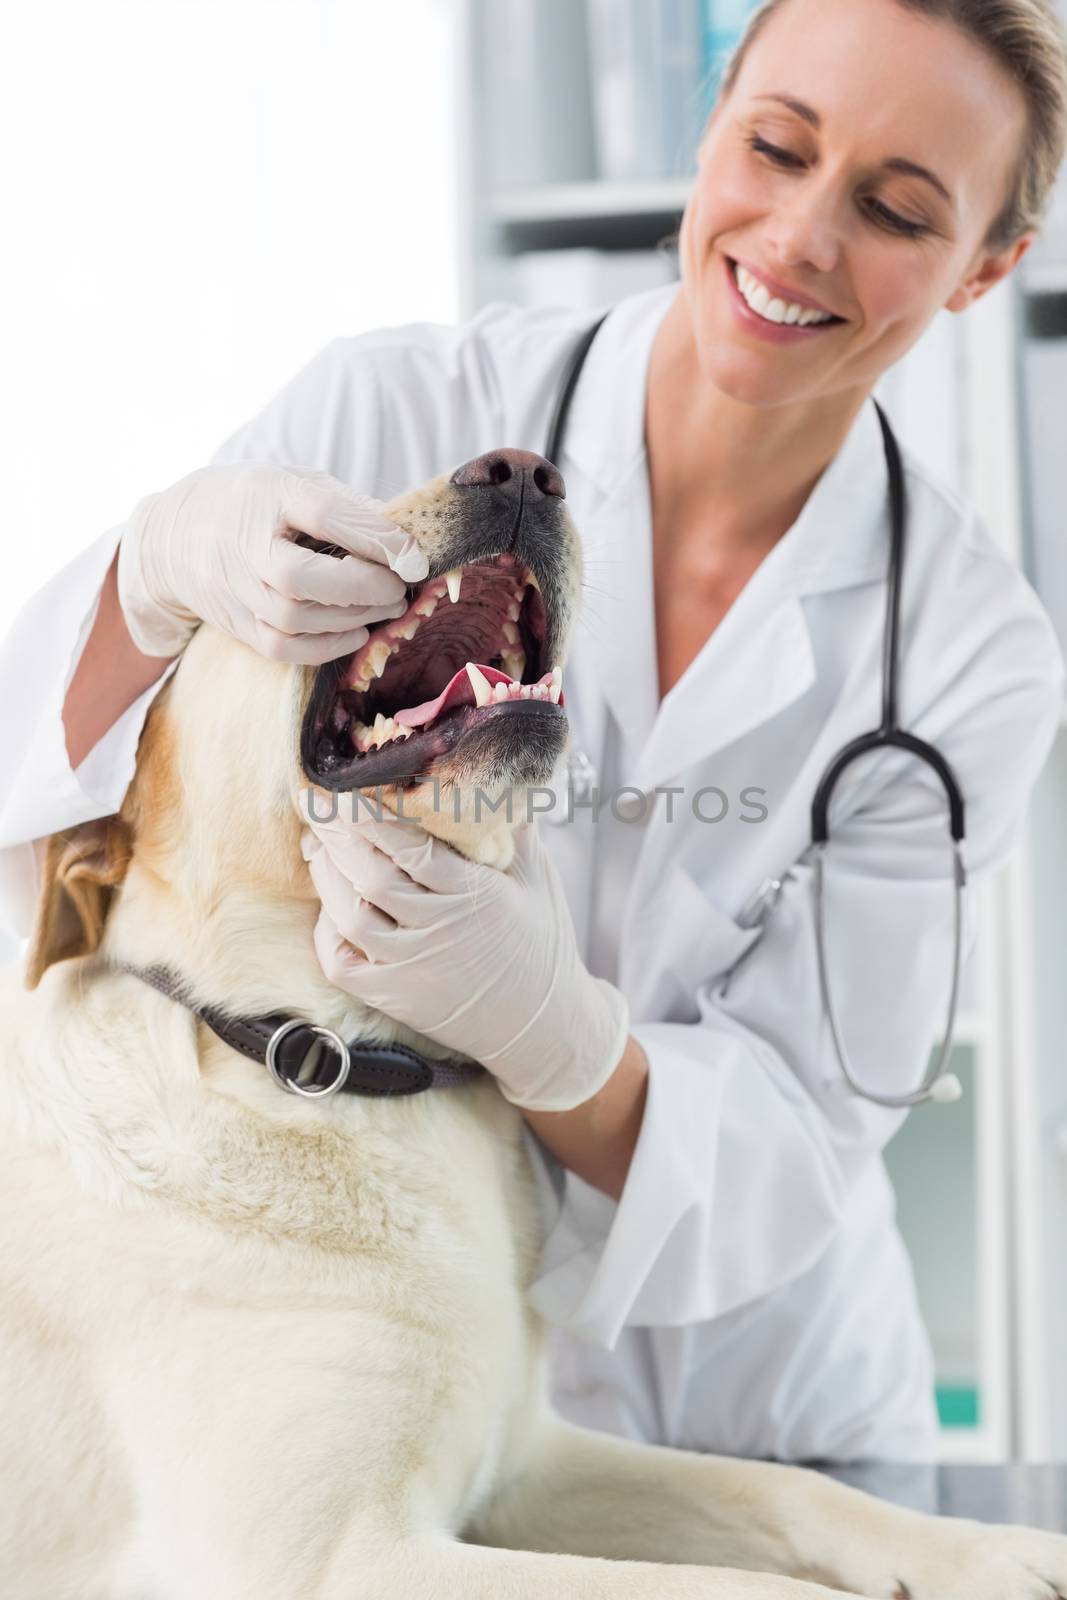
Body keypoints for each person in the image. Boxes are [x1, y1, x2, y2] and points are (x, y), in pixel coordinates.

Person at [2, 0, 1066, 1466]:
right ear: (711, 125)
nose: (804, 236)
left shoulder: (967, 655)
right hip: (377, 1314)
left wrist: (548, 1032)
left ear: (987, 271)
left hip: (763, 1403)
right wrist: (150, 570)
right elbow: (65, 785)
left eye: (894, 208)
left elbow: (797, 1138)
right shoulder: (400, 408)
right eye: (775, 147)